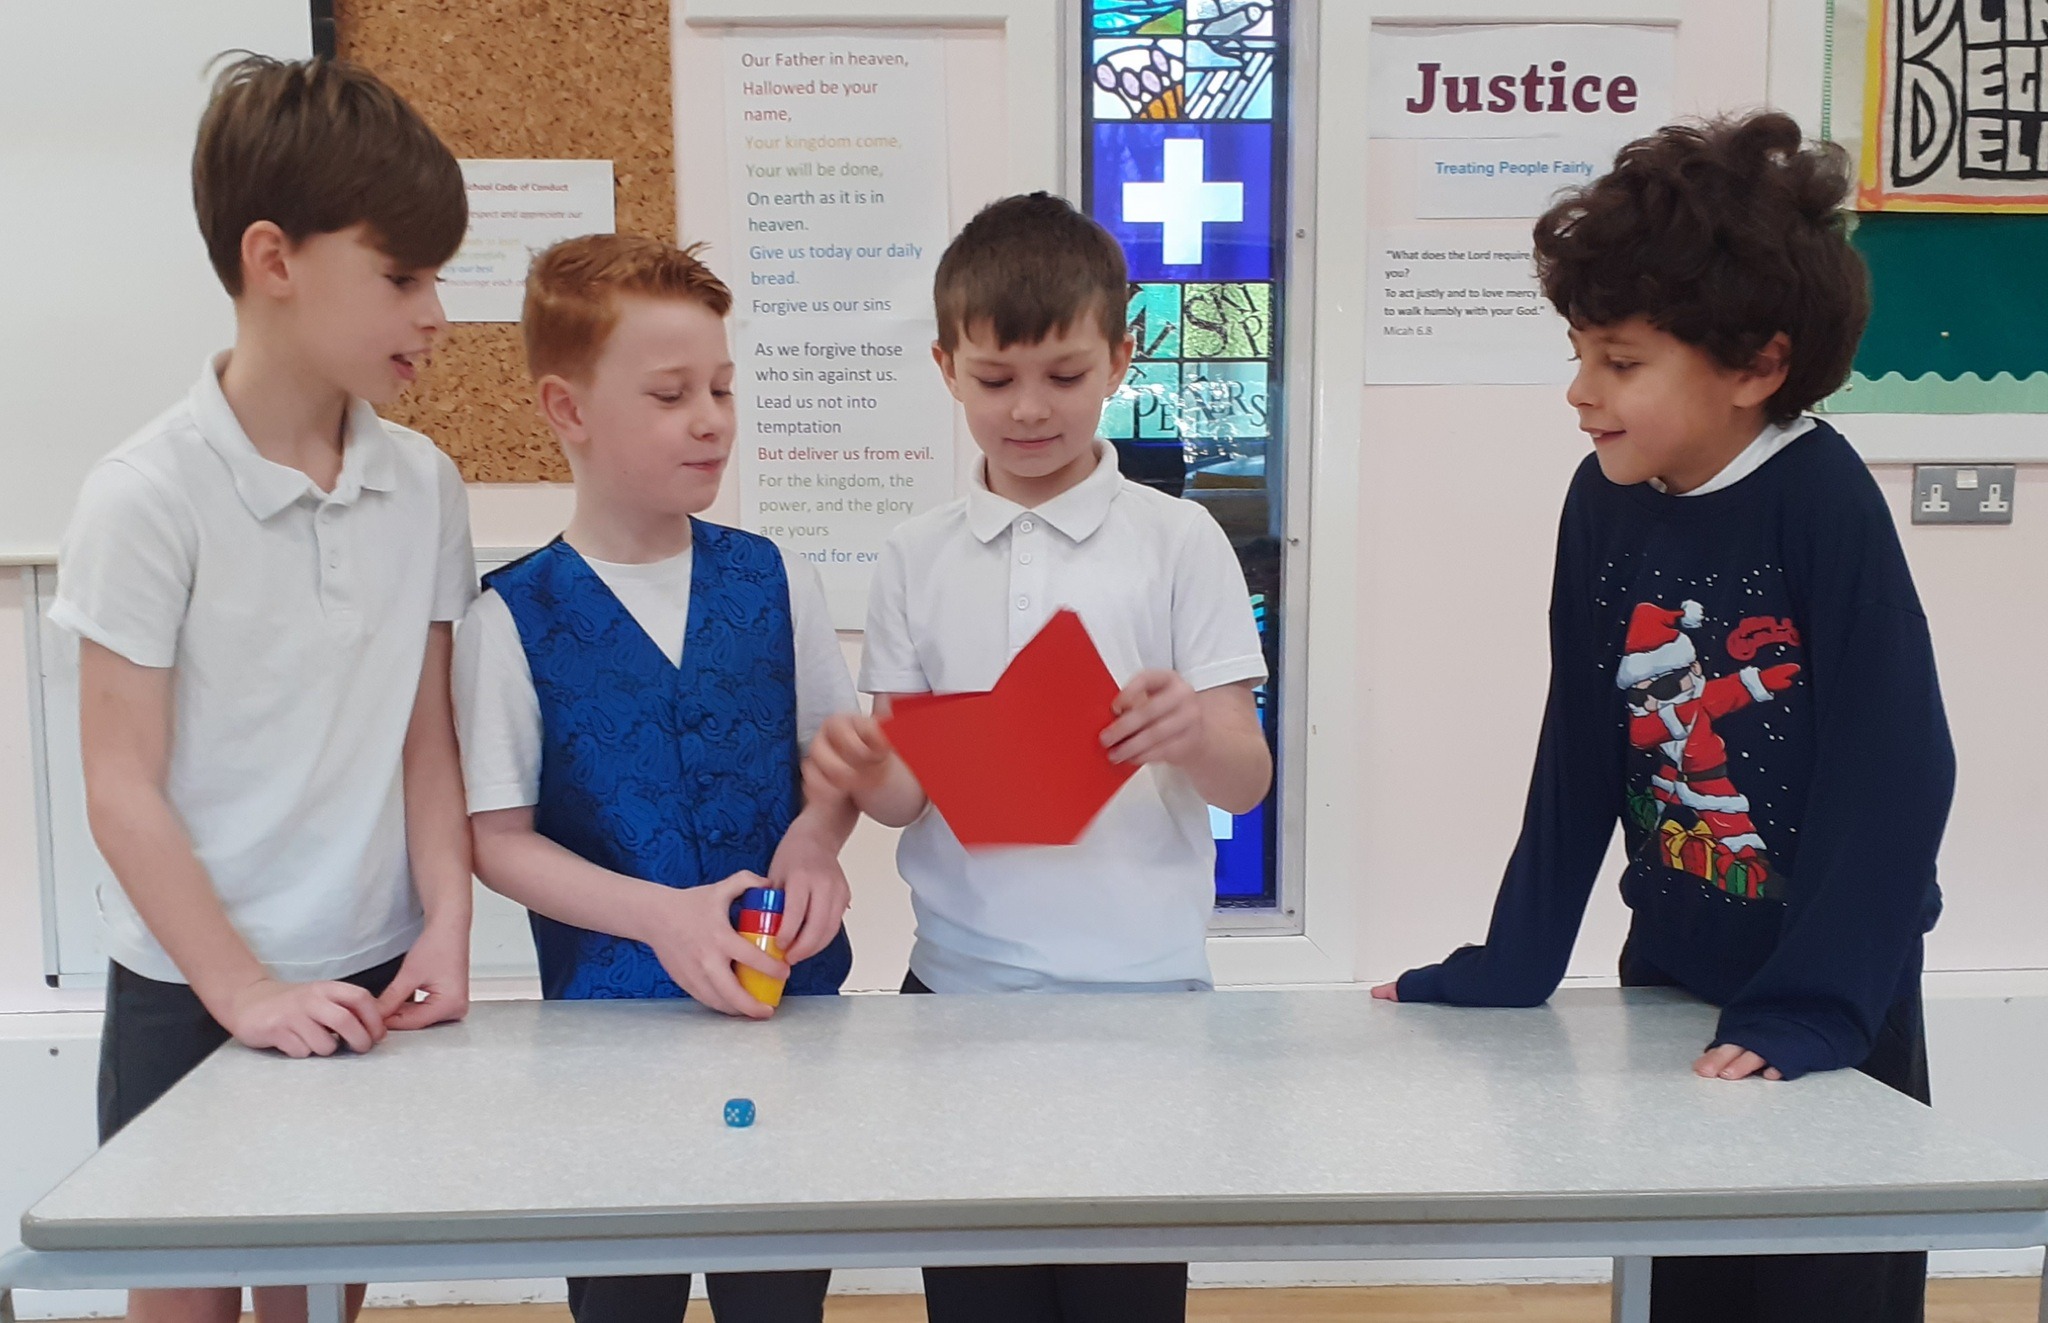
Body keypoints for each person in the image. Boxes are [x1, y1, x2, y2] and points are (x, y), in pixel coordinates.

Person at [1375, 112, 1955, 1323]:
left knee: (1823, 1294)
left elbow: (1897, 772)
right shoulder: (1603, 501)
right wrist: (1514, 960)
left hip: (1833, 998)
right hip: (1673, 977)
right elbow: (1579, 747)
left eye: (1619, 362)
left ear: (1753, 368)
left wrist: (1816, 1005)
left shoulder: (1822, 503)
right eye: (1577, 352)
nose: (1578, 393)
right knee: (1682, 1284)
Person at [53, 54, 475, 1323]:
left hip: (364, 967)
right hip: (189, 984)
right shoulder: (145, 495)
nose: (436, 314)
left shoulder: (425, 486)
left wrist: (446, 921)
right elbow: (120, 787)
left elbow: (426, 742)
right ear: (273, 259)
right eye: (401, 277)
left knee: (319, 1299)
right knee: (184, 1301)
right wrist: (240, 989)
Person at [805, 191, 1274, 1323]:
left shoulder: (1178, 541)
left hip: (1144, 1000)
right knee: (981, 1296)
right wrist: (864, 769)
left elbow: (1247, 776)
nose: (1027, 409)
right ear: (945, 368)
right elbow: (908, 796)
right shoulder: (915, 555)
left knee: (1124, 1299)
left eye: (1063, 375)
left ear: (1120, 358)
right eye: (994, 377)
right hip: (957, 993)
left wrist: (1192, 731)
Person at [457, 233, 859, 1323]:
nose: (711, 419)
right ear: (568, 408)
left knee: (778, 1301)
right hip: (607, 1045)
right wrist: (661, 917)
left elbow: (833, 765)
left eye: (721, 389)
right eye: (672, 395)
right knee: (623, 1300)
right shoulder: (509, 618)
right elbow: (497, 839)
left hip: (784, 1024)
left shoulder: (777, 579)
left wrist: (818, 838)